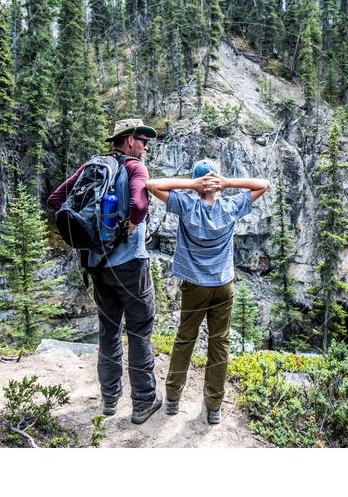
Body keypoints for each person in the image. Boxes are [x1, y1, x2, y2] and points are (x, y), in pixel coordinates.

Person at [46, 119, 164, 425]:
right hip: (130, 265)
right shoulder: (135, 167)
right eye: (142, 139)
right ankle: (143, 402)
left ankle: (110, 400)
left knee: (109, 331)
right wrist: (132, 223)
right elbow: (139, 204)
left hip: (97, 265)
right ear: (127, 141)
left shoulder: (91, 167)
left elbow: (55, 201)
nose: (146, 146)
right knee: (139, 330)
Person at [145, 160, 270, 425]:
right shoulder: (230, 206)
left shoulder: (187, 204)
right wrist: (228, 183)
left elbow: (151, 185)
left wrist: (191, 186)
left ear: (198, 183)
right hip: (224, 285)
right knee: (220, 342)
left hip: (195, 286)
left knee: (185, 339)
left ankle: (173, 399)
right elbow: (264, 185)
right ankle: (213, 406)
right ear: (216, 182)